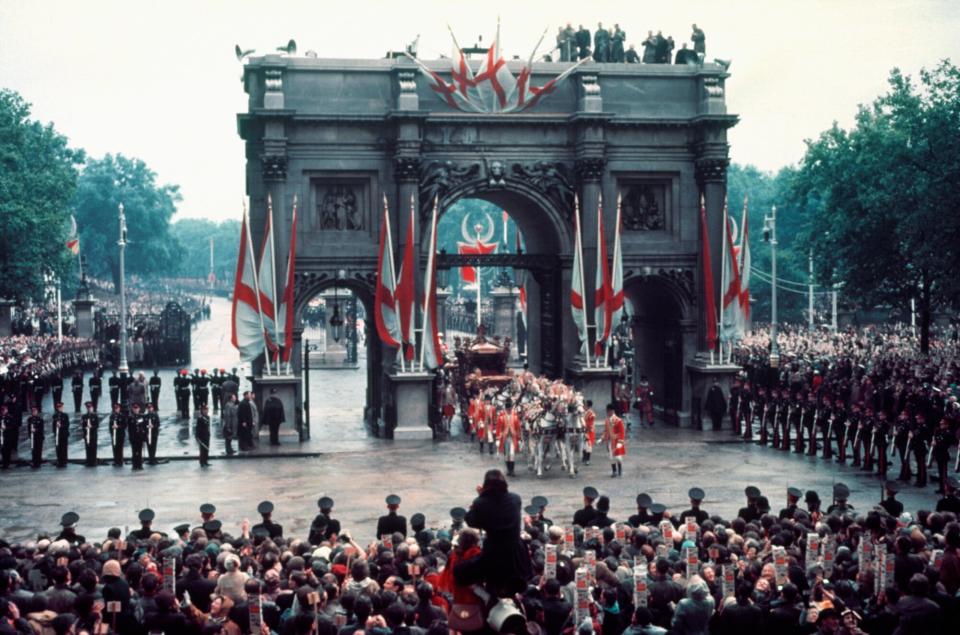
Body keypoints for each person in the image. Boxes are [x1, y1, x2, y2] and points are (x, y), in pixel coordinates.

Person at [461, 469, 531, 597]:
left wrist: (481, 496)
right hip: (516, 554)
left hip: (494, 554)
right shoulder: (515, 499)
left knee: (460, 573)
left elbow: (471, 521)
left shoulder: (480, 503)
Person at [497, 398, 521, 476]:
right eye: (508, 409)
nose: (509, 410)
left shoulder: (515, 417)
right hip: (505, 438)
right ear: (506, 409)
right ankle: (508, 470)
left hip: (513, 438)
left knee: (512, 454)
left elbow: (518, 428)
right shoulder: (501, 418)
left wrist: (519, 437)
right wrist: (498, 438)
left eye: (510, 409)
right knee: (506, 455)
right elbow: (499, 428)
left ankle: (512, 470)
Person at [601, 403, 625, 478]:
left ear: (612, 411)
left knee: (618, 457)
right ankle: (614, 471)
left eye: (608, 411)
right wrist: (602, 438)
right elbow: (605, 431)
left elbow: (622, 432)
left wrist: (620, 442)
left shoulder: (618, 420)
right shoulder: (607, 420)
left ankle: (620, 469)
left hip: (617, 441)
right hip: (610, 442)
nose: (607, 413)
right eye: (607, 411)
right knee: (611, 457)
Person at [51, 402, 69, 468]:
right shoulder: (55, 416)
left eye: (61, 407)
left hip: (63, 434)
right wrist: (54, 432)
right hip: (57, 434)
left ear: (62, 407)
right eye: (58, 407)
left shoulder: (65, 415)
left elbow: (67, 425)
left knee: (64, 448)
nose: (59, 408)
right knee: (58, 448)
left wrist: (61, 426)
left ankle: (64, 461)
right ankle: (59, 460)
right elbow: (53, 425)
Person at [80, 401, 99, 467]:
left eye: (90, 407)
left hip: (93, 435)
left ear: (92, 408)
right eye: (88, 408)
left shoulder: (95, 416)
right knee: (87, 448)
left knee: (93, 448)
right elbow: (83, 425)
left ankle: (93, 461)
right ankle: (88, 461)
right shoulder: (84, 416)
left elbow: (97, 425)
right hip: (87, 435)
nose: (89, 409)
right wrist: (85, 429)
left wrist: (91, 427)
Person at [128, 402, 146, 470]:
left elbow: (144, 426)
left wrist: (144, 436)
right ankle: (134, 465)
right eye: (134, 409)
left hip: (140, 436)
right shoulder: (130, 418)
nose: (136, 410)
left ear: (139, 409)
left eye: (137, 408)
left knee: (140, 451)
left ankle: (140, 465)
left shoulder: (142, 416)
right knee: (134, 451)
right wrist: (130, 437)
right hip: (134, 437)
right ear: (132, 409)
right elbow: (129, 429)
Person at [108, 401, 125, 467]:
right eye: (115, 408)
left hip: (120, 434)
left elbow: (124, 425)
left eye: (117, 408)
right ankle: (116, 460)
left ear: (119, 408)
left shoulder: (122, 416)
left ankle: (120, 461)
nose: (116, 409)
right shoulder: (112, 416)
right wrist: (112, 430)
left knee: (120, 448)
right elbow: (110, 426)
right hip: (114, 435)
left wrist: (118, 427)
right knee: (114, 447)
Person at [195, 402, 211, 467]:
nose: (206, 411)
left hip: (207, 435)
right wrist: (197, 436)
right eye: (204, 410)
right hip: (202, 436)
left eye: (207, 410)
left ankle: (206, 461)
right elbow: (198, 428)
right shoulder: (200, 418)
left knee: (207, 449)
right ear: (202, 411)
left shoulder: (208, 417)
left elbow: (208, 427)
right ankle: (202, 462)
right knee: (202, 450)